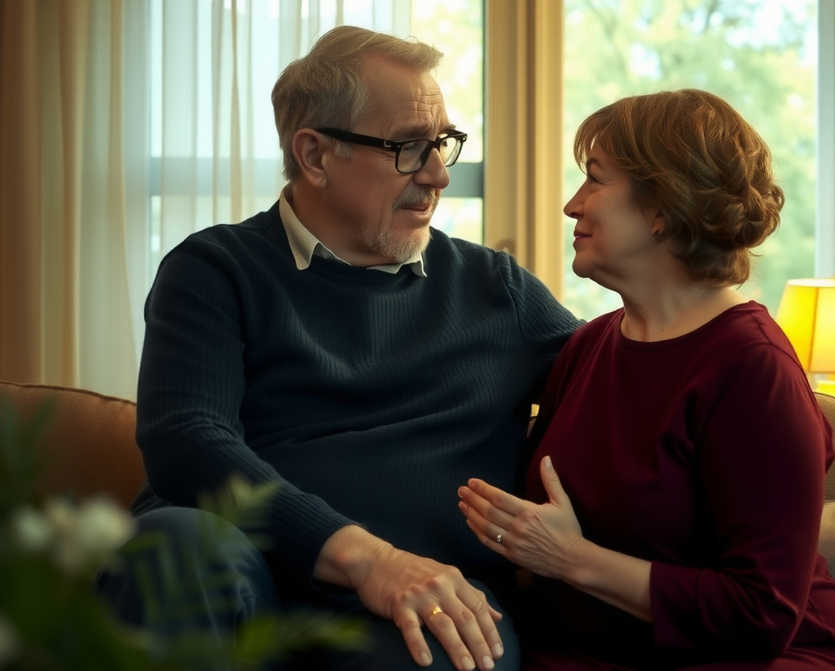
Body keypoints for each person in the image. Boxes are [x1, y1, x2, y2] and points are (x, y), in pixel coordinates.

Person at [98, 25, 580, 671]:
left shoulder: (498, 289)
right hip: (240, 579)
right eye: (409, 147)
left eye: (442, 143)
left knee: (457, 640)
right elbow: (185, 438)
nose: (438, 174)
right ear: (315, 155)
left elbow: (629, 383)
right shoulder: (217, 268)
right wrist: (366, 558)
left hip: (416, 600)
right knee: (169, 548)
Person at [457, 90, 835, 671]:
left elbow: (761, 615)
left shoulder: (754, 369)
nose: (572, 205)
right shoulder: (587, 347)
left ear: (663, 208)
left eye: (595, 180)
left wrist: (574, 559)